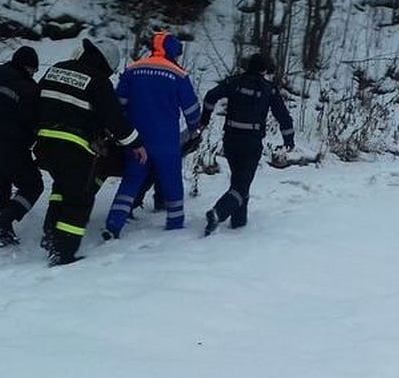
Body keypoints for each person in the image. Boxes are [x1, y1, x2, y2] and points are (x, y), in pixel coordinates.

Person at [34, 38, 147, 266]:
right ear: (106, 65)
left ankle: (50, 233)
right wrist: (136, 143)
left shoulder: (57, 69)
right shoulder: (98, 81)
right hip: (74, 145)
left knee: (61, 187)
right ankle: (63, 252)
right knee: (80, 198)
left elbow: (35, 99)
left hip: (45, 143)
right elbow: (114, 118)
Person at [102, 32, 202, 239]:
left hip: (136, 139)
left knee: (131, 180)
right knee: (171, 180)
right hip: (166, 140)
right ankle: (175, 224)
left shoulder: (132, 69)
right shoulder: (178, 74)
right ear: (173, 51)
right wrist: (195, 129)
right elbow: (191, 109)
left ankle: (113, 224)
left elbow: (118, 103)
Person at [201, 53, 294, 236]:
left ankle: (239, 221)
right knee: (242, 183)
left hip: (230, 139)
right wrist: (288, 139)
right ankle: (218, 213)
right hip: (251, 142)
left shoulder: (233, 82)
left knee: (239, 179)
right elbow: (282, 115)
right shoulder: (268, 89)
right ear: (264, 70)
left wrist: (205, 118)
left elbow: (210, 97)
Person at [0, 46, 44, 247]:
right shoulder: (26, 87)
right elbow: (33, 119)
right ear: (28, 67)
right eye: (33, 70)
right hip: (10, 144)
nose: (33, 74)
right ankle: (4, 221)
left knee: (0, 188)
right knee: (32, 185)